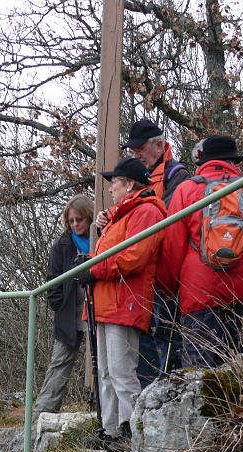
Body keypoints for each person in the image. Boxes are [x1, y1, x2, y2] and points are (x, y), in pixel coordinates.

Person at [159, 135, 243, 368]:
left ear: (203, 162)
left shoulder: (185, 191)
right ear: (231, 162)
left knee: (201, 376)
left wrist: (170, 290)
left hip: (200, 294)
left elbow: (171, 248)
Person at [78, 157, 166, 452]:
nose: (111, 189)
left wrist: (93, 268)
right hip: (107, 302)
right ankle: (112, 430)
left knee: (121, 371)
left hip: (124, 302)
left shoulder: (146, 212)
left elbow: (133, 257)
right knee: (105, 371)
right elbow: (116, 255)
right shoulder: (122, 215)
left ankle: (132, 433)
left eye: (114, 183)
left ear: (129, 184)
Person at [96, 118, 190, 387]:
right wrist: (109, 217)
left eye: (140, 149)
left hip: (164, 272)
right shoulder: (157, 181)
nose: (136, 154)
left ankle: (156, 398)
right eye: (133, 150)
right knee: (142, 347)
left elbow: (164, 223)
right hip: (146, 275)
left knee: (162, 339)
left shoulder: (176, 176)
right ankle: (145, 402)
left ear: (159, 145)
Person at [33, 195, 94, 417]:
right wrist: (59, 306)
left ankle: (103, 409)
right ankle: (44, 411)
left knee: (102, 360)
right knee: (60, 360)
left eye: (80, 219)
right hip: (70, 311)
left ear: (89, 217)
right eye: (71, 221)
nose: (76, 224)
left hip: (97, 307)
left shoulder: (101, 239)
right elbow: (53, 280)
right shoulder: (62, 245)